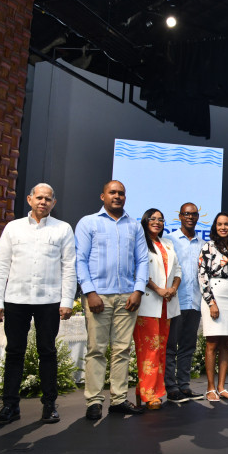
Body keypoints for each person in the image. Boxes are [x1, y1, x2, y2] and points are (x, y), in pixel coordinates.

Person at [0, 183, 76, 426]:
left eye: (48, 199)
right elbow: (0, 266)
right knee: (14, 352)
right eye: (39, 197)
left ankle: (49, 406)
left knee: (47, 352)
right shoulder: (13, 228)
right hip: (16, 299)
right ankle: (9, 406)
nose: (43, 202)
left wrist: (67, 300)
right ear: (29, 199)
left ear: (54, 203)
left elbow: (69, 267)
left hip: (49, 301)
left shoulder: (63, 229)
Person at [76, 180, 149, 420]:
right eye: (112, 192)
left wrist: (138, 290)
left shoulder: (135, 226)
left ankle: (118, 399)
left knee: (122, 349)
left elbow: (142, 261)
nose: (117, 196)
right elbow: (81, 260)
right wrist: (90, 292)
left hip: (128, 297)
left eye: (121, 193)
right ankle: (94, 401)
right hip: (98, 297)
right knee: (96, 350)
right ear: (102, 196)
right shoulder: (89, 223)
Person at [133, 208, 181, 409]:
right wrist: (158, 289)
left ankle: (148, 390)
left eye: (160, 219)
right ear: (145, 221)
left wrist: (172, 288)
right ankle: (148, 394)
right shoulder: (140, 242)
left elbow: (177, 270)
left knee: (161, 350)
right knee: (149, 351)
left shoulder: (168, 243)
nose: (157, 222)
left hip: (166, 305)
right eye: (152, 218)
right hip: (148, 304)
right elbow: (138, 270)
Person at [198, 212, 228, 402]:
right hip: (214, 295)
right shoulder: (208, 247)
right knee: (212, 343)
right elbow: (202, 276)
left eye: (226, 224)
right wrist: (211, 302)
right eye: (219, 224)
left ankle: (222, 387)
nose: (223, 227)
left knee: (227, 343)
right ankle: (210, 388)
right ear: (215, 227)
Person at [165, 202, 205, 403]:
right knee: (171, 346)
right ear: (180, 216)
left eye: (194, 214)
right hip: (175, 301)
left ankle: (184, 385)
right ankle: (171, 388)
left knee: (188, 347)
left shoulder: (203, 244)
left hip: (195, 302)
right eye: (186, 214)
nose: (190, 217)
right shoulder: (168, 240)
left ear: (198, 217)